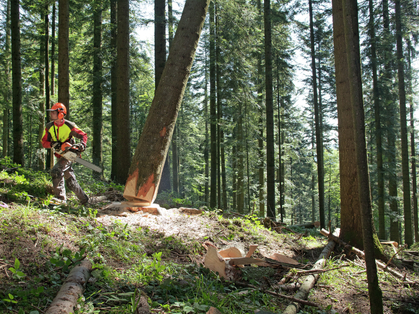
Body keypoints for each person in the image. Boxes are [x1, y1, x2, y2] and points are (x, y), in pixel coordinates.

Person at [41, 102, 89, 205]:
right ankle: (84, 199)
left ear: (61, 114)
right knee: (70, 181)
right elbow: (44, 142)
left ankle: (61, 199)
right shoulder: (49, 127)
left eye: (53, 112)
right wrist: (54, 144)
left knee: (56, 170)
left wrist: (82, 145)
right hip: (60, 153)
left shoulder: (69, 125)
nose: (51, 114)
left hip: (70, 153)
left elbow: (83, 135)